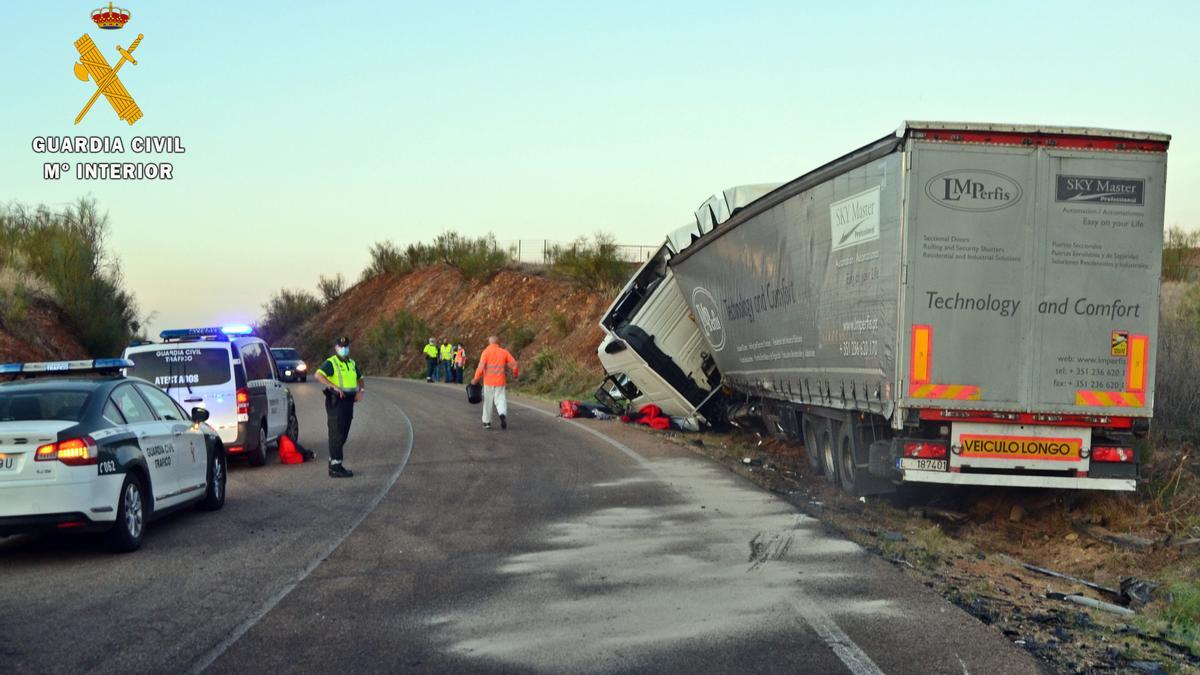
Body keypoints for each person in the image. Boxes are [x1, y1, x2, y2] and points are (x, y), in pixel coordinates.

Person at [313, 336, 364, 478]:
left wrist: (361, 391)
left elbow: (360, 379)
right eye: (341, 347)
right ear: (336, 348)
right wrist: (333, 386)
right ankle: (336, 467)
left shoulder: (352, 363)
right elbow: (318, 375)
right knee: (336, 433)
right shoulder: (331, 363)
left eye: (346, 346)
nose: (344, 349)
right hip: (336, 401)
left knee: (344, 433)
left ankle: (333, 461)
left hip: (349, 402)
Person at [471, 335, 518, 430]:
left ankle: (487, 422)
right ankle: (502, 414)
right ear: (497, 343)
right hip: (500, 381)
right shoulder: (504, 352)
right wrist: (515, 374)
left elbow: (480, 367)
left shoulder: (486, 352)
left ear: (489, 343)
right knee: (500, 399)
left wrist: (475, 379)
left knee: (488, 402)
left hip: (488, 382)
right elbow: (514, 364)